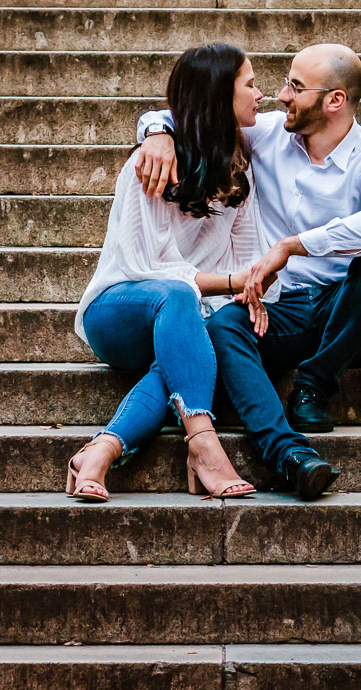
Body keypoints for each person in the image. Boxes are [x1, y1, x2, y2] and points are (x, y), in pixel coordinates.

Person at [134, 43, 361, 500]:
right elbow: (198, 116)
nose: (281, 95)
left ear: (334, 101)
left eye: (296, 87)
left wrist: (292, 246)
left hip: (346, 312)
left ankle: (314, 385)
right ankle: (288, 455)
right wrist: (158, 132)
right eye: (284, 82)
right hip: (282, 311)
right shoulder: (269, 134)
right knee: (223, 323)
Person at [66, 43, 277, 502]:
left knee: (181, 353)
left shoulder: (240, 170)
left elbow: (242, 261)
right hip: (119, 312)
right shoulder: (150, 165)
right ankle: (203, 445)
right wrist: (232, 284)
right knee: (177, 298)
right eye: (251, 85)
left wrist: (245, 287)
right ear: (220, 96)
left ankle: (101, 451)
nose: (262, 95)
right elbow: (146, 269)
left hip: (184, 317)